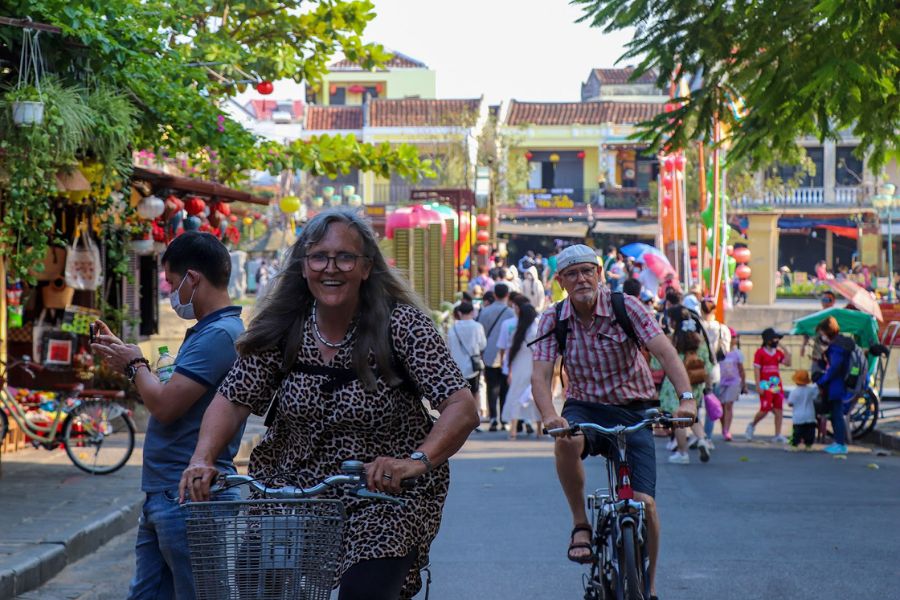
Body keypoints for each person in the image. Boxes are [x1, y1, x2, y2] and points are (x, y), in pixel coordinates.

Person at [179, 209, 479, 600]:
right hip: (292, 492)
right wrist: (202, 458)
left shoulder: (402, 326)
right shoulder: (283, 327)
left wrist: (415, 462)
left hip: (381, 495)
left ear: (366, 267)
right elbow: (233, 397)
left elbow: (462, 405)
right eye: (319, 257)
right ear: (304, 267)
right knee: (256, 585)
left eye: (345, 257)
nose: (330, 268)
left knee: (366, 588)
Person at [531, 244, 696, 599]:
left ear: (600, 274)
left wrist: (686, 400)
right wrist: (550, 416)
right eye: (572, 274)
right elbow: (540, 374)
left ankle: (648, 588)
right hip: (585, 408)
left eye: (587, 271)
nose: (581, 279)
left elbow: (665, 352)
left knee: (645, 504)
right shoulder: (553, 318)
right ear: (561, 281)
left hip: (635, 409)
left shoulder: (627, 307)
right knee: (566, 441)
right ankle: (580, 525)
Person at [92, 231, 246, 599]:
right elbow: (166, 393)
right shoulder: (209, 332)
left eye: (173, 284)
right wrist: (131, 363)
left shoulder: (220, 336)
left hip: (189, 497)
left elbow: (164, 405)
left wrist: (134, 364)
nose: (172, 295)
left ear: (193, 278)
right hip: (166, 495)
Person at [654, 307, 714, 464]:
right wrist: (707, 385)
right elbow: (707, 366)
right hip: (696, 382)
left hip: (675, 384)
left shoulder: (671, 340)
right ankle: (701, 439)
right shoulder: (698, 339)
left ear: (673, 321)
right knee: (691, 413)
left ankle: (682, 452)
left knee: (678, 417)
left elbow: (657, 363)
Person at [814, 316, 854, 455]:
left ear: (828, 331)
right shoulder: (840, 343)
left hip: (837, 385)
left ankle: (840, 444)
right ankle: (839, 442)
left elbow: (835, 367)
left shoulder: (837, 346)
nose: (821, 337)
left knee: (837, 414)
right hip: (840, 384)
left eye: (822, 334)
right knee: (836, 414)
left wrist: (822, 379)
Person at [477, 282, 515, 431]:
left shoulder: (485, 311)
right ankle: (504, 419)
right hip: (506, 355)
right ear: (507, 295)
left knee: (492, 387)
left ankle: (493, 418)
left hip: (489, 353)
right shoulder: (511, 313)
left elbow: (481, 333)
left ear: (494, 295)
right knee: (505, 387)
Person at [501, 302, 541, 439]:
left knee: (515, 397)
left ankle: (513, 429)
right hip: (535, 368)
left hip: (519, 369)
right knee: (537, 398)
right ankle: (539, 429)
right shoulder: (537, 331)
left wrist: (510, 371)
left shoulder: (517, 332)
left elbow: (510, 353)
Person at [746, 328, 792, 443]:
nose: (776, 341)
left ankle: (778, 434)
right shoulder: (760, 353)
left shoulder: (777, 353)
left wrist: (785, 349)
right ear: (767, 340)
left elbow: (787, 363)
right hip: (765, 384)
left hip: (776, 385)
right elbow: (757, 369)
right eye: (774, 339)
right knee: (765, 409)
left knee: (779, 409)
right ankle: (752, 425)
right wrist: (758, 385)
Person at [448, 301, 487, 397]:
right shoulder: (478, 327)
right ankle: (475, 411)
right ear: (472, 312)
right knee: (475, 393)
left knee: (460, 396)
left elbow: (449, 348)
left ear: (459, 313)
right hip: (473, 368)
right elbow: (483, 345)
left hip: (457, 368)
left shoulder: (452, 328)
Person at [716, 328, 746, 441]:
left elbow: (741, 370)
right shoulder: (719, 352)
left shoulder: (737, 353)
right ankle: (724, 427)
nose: (734, 339)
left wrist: (744, 384)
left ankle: (727, 430)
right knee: (722, 407)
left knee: (729, 405)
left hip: (734, 382)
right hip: (721, 382)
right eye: (732, 337)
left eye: (735, 337)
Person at [787, 369, 818, 451]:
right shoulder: (810, 390)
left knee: (797, 432)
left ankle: (794, 446)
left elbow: (790, 403)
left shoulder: (794, 392)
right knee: (809, 432)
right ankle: (808, 446)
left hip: (798, 416)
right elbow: (816, 395)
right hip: (810, 415)